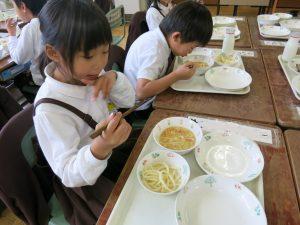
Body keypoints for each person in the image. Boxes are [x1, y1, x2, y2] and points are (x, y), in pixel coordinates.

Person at [34, 0, 135, 190]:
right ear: (53, 53)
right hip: (91, 180)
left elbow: (129, 100)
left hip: (115, 154)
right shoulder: (49, 109)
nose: (99, 64)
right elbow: (67, 173)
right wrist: (101, 146)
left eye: (105, 51)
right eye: (88, 56)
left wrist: (113, 77)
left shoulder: (90, 74)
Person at [124, 1, 212, 119]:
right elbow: (141, 92)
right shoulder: (155, 50)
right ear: (176, 36)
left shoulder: (159, 39)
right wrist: (176, 75)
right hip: (139, 109)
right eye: (192, 47)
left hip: (146, 100)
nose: (191, 52)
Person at [6, 0, 47, 86]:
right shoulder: (52, 19)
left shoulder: (31, 28)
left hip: (43, 81)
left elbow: (18, 59)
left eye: (14, 7)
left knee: (19, 80)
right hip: (57, 75)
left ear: (23, 7)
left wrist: (12, 34)